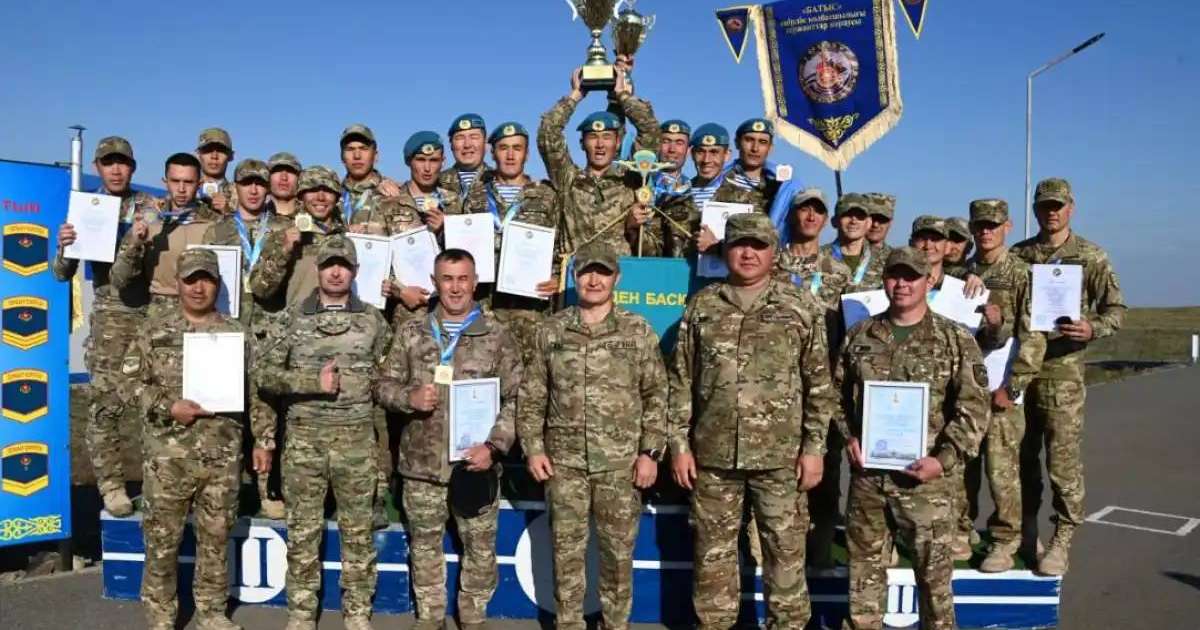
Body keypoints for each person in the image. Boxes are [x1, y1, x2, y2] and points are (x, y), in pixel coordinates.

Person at [668, 212, 835, 629]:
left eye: (757, 246)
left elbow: (819, 385)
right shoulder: (703, 306)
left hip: (780, 457)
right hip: (713, 456)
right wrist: (679, 446)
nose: (747, 253)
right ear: (726, 251)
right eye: (739, 244)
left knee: (785, 555)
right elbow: (681, 382)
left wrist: (815, 449)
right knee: (714, 557)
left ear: (773, 253)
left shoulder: (799, 306)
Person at [835, 246, 990, 630]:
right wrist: (848, 436)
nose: (901, 284)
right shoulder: (860, 335)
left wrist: (944, 459)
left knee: (934, 587)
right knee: (864, 581)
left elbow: (974, 408)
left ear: (929, 280)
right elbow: (834, 396)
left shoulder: (953, 339)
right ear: (884, 280)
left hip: (928, 485)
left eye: (912, 277)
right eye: (894, 275)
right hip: (869, 479)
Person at [517, 243, 667, 630]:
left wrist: (650, 452)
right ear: (575, 276)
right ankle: (569, 624)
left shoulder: (637, 330)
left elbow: (656, 395)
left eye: (602, 272)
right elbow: (532, 395)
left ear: (617, 278)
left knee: (618, 557)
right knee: (566, 555)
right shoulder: (550, 331)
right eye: (586, 272)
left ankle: (615, 625)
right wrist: (533, 448)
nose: (594, 279)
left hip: (619, 466)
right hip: (564, 465)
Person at [376, 249, 521, 630]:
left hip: (477, 464)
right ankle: (431, 617)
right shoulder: (411, 332)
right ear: (435, 282)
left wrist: (494, 446)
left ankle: (472, 617)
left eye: (462, 279)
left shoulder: (498, 336)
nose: (455, 288)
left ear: (475, 282)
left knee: (479, 546)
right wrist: (407, 398)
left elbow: (518, 398)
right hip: (422, 464)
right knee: (425, 546)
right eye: (447, 279)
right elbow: (382, 385)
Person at [255, 235, 391, 630]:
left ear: (355, 271)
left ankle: (358, 614)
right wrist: (311, 380)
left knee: (359, 535)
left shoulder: (372, 321)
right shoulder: (293, 318)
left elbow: (389, 376)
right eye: (329, 264)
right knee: (302, 535)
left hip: (356, 443)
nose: (336, 271)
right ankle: (300, 615)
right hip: (304, 444)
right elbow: (263, 375)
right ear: (317, 269)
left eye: (344, 265)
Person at [124, 248, 249, 630]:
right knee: (162, 542)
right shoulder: (153, 330)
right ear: (177, 283)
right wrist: (167, 406)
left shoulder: (235, 333)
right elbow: (128, 383)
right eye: (191, 279)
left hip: (221, 457)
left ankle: (211, 613)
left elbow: (255, 392)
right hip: (168, 458)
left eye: (207, 279)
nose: (198, 287)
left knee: (216, 539)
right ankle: (162, 616)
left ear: (217, 283)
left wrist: (265, 441)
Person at [1010, 177, 1125, 576]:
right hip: (1021, 372)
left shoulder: (1091, 256)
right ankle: (1026, 532)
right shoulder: (1019, 255)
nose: (1051, 212)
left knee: (1062, 464)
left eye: (1058, 205)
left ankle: (1062, 538)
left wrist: (1093, 327)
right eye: (1044, 206)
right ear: (1036, 210)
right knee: (1020, 461)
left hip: (1064, 374)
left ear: (1071, 208)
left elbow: (1115, 309)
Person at [51, 136, 160, 517]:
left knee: (155, 407)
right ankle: (112, 486)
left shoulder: (149, 207)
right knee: (104, 409)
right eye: (108, 163)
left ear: (133, 167)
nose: (116, 169)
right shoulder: (87, 208)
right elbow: (62, 274)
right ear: (97, 167)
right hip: (111, 318)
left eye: (123, 163)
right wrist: (64, 245)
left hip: (152, 315)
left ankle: (156, 482)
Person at [202, 158, 294, 519]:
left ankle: (267, 490)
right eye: (246, 183)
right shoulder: (219, 230)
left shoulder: (284, 228)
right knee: (225, 413)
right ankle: (226, 491)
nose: (254, 190)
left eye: (259, 183)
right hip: (228, 331)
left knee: (266, 415)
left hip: (270, 330)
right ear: (235, 188)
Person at [961, 199, 1046, 572]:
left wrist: (1012, 387)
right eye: (980, 225)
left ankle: (1005, 541)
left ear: (1007, 226)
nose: (986, 232)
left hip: (1002, 390)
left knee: (1001, 470)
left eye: (993, 225)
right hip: (966, 390)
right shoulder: (964, 273)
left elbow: (1035, 335)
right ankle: (963, 531)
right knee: (963, 466)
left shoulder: (1021, 274)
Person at [774, 188, 852, 568]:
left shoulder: (839, 273)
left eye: (818, 211)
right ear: (792, 215)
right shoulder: (772, 265)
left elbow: (853, 331)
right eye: (803, 209)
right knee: (776, 476)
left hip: (824, 389)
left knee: (824, 474)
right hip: (776, 387)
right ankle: (773, 560)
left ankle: (819, 558)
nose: (810, 216)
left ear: (826, 220)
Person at [459, 121, 560, 360]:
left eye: (517, 148)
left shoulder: (545, 195)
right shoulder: (475, 196)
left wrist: (557, 277)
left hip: (530, 309)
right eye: (504, 148)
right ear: (492, 152)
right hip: (484, 304)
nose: (511, 155)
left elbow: (562, 246)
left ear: (527, 153)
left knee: (530, 373)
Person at [538, 65, 662, 257]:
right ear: (582, 143)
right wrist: (576, 95)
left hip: (619, 280)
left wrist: (622, 95)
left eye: (606, 136)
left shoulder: (630, 178)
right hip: (575, 279)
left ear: (618, 142)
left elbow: (651, 131)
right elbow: (548, 133)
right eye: (593, 137)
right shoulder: (568, 179)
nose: (600, 144)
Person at [110, 153, 221, 319]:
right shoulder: (148, 222)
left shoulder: (217, 224)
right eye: (175, 181)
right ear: (165, 182)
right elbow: (118, 279)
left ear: (200, 184)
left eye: (188, 182)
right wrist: (135, 244)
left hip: (204, 317)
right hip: (161, 320)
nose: (182, 189)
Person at [385, 131, 465, 326]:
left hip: (449, 308)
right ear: (408, 161)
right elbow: (377, 259)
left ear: (443, 161)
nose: (428, 168)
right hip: (406, 312)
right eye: (420, 160)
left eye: (434, 160)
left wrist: (445, 232)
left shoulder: (454, 202)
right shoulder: (387, 203)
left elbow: (468, 255)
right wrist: (400, 290)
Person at [820, 193, 886, 292]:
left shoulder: (885, 260)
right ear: (834, 221)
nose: (853, 221)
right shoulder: (817, 258)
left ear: (869, 223)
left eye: (860, 216)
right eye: (847, 214)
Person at [439, 113, 489, 197]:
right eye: (460, 138)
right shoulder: (435, 184)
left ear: (486, 143)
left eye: (474, 137)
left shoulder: (500, 181)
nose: (467, 145)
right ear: (451, 144)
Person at [195, 127, 235, 213]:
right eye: (208, 150)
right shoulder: (185, 190)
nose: (214, 156)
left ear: (231, 156)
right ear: (198, 154)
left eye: (221, 150)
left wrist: (227, 213)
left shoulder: (241, 194)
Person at [909, 215, 950, 295]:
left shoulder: (961, 287)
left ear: (947, 246)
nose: (928, 246)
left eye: (935, 239)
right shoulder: (896, 284)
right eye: (921, 239)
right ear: (911, 243)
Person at [265, 152, 303, 217]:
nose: (284, 178)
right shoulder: (255, 218)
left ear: (299, 178)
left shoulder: (310, 220)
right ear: (268, 177)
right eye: (277, 171)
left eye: (290, 171)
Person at [864, 192, 896, 258]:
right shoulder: (841, 253)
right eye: (871, 218)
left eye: (882, 219)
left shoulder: (895, 258)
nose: (875, 224)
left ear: (890, 222)